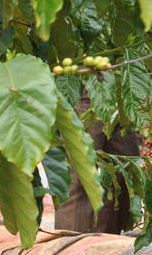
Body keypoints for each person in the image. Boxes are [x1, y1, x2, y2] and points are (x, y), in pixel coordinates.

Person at [55, 90, 141, 233]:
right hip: (83, 89)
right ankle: (72, 247)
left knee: (126, 171)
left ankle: (105, 242)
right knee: (80, 180)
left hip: (116, 90)